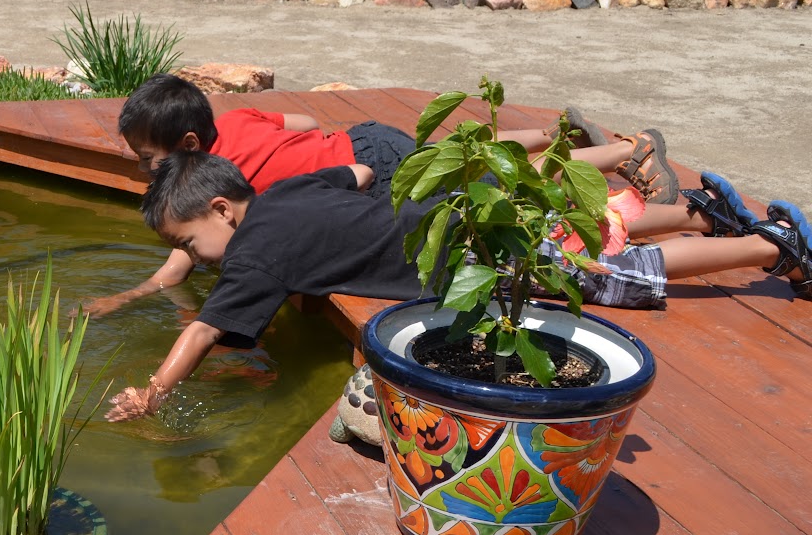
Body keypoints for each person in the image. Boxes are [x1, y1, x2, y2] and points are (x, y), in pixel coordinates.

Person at [104, 152, 811, 421]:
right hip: (466, 212)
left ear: (222, 212)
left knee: (610, 274)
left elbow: (200, 329)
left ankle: (770, 246)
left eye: (190, 245)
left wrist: (153, 392)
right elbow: (358, 176)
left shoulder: (253, 256)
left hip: (477, 258)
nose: (196, 260)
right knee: (586, 229)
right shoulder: (281, 194)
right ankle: (696, 212)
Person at [84, 74, 676, 315]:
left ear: (189, 145)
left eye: (147, 161)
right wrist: (318, 150)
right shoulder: (234, 119)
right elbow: (299, 118)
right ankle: (552, 133)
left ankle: (629, 152)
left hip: (373, 173)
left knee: (493, 184)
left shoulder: (217, 182)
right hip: (364, 140)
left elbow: (176, 265)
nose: (142, 171)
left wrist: (126, 297)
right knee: (469, 158)